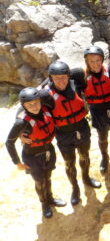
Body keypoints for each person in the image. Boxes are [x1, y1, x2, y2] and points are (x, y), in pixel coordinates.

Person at [43, 60, 101, 205]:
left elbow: (90, 68)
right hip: (63, 133)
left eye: (63, 77)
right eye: (56, 78)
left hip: (82, 127)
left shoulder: (77, 81)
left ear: (68, 76)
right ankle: (75, 188)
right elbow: (25, 106)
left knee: (85, 156)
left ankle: (86, 178)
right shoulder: (46, 94)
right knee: (70, 163)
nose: (61, 81)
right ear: (51, 78)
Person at [6, 87, 66, 218]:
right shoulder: (21, 123)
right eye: (30, 105)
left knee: (48, 177)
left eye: (36, 103)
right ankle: (44, 204)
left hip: (48, 150)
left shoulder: (46, 109)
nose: (34, 106)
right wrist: (17, 162)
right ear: (24, 106)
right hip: (32, 156)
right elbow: (9, 142)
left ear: (40, 101)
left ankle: (50, 198)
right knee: (39, 181)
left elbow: (47, 84)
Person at [79, 45, 110, 173]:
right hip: (97, 109)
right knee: (102, 136)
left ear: (102, 60)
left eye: (98, 60)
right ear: (87, 62)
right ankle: (104, 157)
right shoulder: (83, 76)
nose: (95, 64)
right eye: (91, 61)